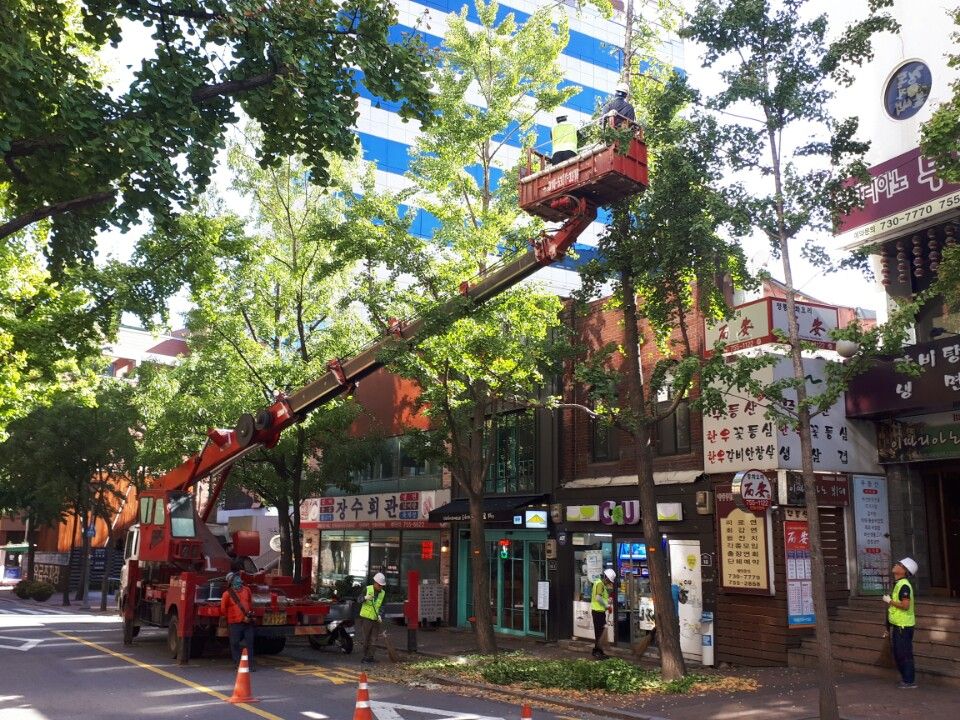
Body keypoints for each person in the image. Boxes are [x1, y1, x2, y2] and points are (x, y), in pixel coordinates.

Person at [883, 557, 918, 688]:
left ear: (904, 571)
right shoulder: (899, 584)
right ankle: (906, 679)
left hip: (904, 625)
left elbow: (905, 605)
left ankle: (909, 681)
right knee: (899, 653)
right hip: (899, 625)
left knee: (904, 653)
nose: (895, 565)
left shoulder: (904, 586)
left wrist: (890, 601)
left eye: (899, 564)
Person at [221, 571, 257, 671]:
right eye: (234, 579)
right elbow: (223, 609)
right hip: (234, 623)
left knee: (250, 643)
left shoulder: (247, 590)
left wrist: (250, 616)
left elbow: (250, 603)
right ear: (230, 582)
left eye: (237, 578)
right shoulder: (227, 594)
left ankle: (250, 665)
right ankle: (237, 663)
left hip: (247, 622)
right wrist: (235, 617)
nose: (238, 580)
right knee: (234, 643)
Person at [358, 572, 387, 664]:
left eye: (382, 585)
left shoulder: (383, 593)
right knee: (366, 639)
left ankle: (370, 657)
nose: (380, 587)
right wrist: (365, 597)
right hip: (366, 619)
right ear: (375, 582)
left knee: (374, 639)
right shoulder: (367, 589)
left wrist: (380, 615)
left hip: (375, 619)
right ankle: (365, 657)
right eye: (379, 585)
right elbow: (359, 600)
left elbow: (382, 606)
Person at [591, 568, 616, 659]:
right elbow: (598, 598)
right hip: (598, 612)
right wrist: (607, 606)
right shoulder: (600, 584)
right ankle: (597, 652)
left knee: (599, 632)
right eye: (609, 581)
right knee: (599, 633)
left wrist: (608, 600)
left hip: (599, 612)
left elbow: (601, 598)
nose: (609, 583)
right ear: (606, 578)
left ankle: (598, 651)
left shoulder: (600, 584)